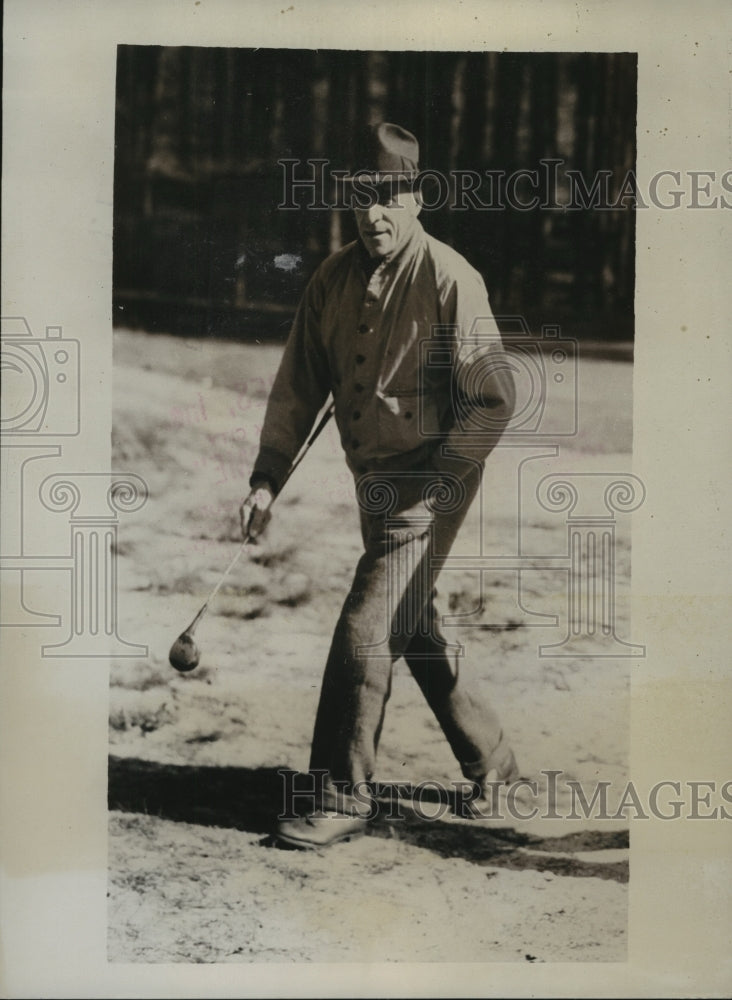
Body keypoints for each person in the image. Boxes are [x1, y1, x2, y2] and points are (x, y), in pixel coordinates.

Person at [240, 122, 518, 849]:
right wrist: (266, 479)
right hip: (373, 483)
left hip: (433, 482)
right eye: (362, 197)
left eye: (390, 196)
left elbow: (494, 396)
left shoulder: (451, 278)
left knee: (366, 630)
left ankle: (339, 794)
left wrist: (442, 485)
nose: (375, 213)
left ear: (418, 197)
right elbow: (297, 388)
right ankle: (496, 763)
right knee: (411, 625)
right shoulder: (330, 280)